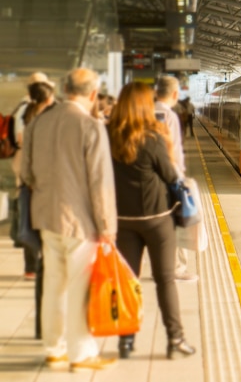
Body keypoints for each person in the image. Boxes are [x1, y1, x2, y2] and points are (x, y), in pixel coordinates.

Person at [21, 68, 118, 372]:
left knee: (53, 285)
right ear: (92, 94)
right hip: (81, 223)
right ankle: (81, 354)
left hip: (47, 217)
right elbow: (100, 183)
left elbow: (25, 173)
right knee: (79, 288)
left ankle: (54, 350)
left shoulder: (39, 122)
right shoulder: (90, 126)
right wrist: (108, 228)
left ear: (64, 89)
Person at [107, 81, 196, 360]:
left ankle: (126, 341)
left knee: (128, 281)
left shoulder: (108, 134)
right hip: (157, 219)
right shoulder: (154, 136)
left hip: (123, 220)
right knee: (165, 280)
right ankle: (175, 339)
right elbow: (171, 176)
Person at [11, 72, 55, 281]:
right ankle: (34, 264)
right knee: (32, 215)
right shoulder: (30, 111)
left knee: (29, 214)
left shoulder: (23, 110)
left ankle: (33, 265)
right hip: (34, 171)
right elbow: (21, 139)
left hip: (26, 169)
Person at [155, 76, 197, 282]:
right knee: (176, 224)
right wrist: (180, 178)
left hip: (148, 179)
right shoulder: (169, 116)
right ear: (174, 94)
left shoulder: (143, 113)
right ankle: (177, 268)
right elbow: (173, 153)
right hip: (168, 178)